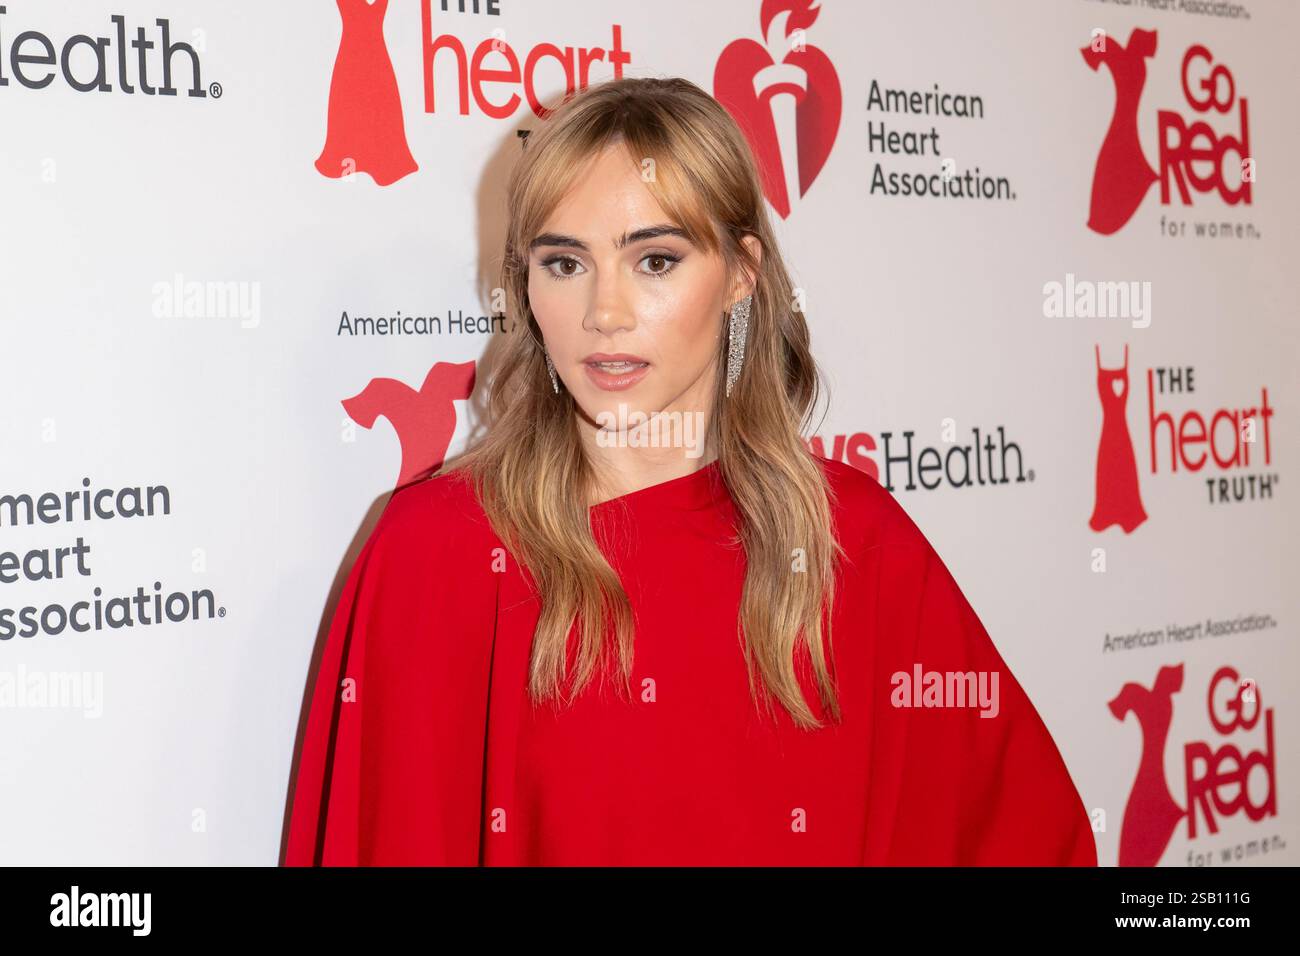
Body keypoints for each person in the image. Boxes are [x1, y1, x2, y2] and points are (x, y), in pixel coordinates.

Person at [284, 76, 1096, 867]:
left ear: (741, 274)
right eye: (564, 263)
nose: (605, 312)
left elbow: (1026, 835)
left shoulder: (855, 543)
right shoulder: (437, 552)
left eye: (656, 261)